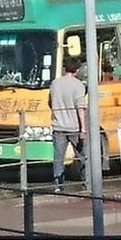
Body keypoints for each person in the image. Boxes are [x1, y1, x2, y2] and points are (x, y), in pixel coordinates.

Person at [48, 56, 86, 193]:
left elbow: (50, 102)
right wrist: (83, 128)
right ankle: (86, 183)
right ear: (77, 69)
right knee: (82, 156)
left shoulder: (55, 83)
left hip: (58, 126)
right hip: (74, 127)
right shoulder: (78, 85)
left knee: (58, 157)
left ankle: (58, 185)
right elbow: (80, 108)